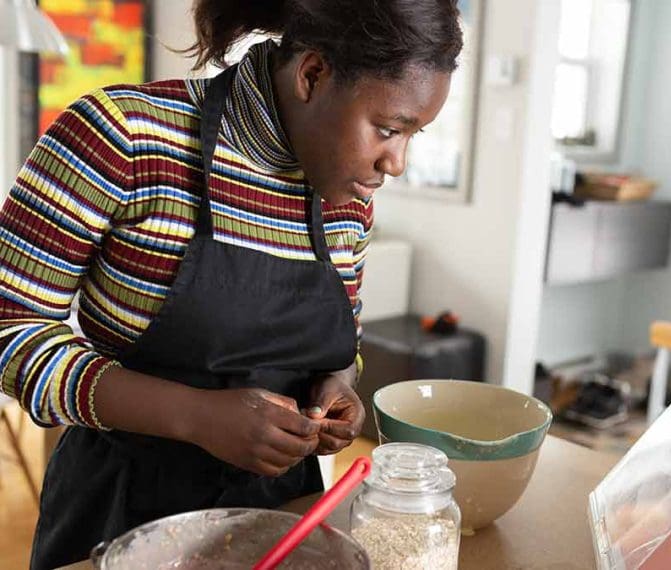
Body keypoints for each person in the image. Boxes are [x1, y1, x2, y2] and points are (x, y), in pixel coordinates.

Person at [0, 1, 462, 567]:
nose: (397, 163)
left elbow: (346, 340)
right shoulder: (122, 137)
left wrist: (337, 384)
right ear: (312, 74)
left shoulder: (347, 199)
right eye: (388, 130)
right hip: (118, 518)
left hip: (285, 519)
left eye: (413, 135)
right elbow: (9, 333)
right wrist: (197, 416)